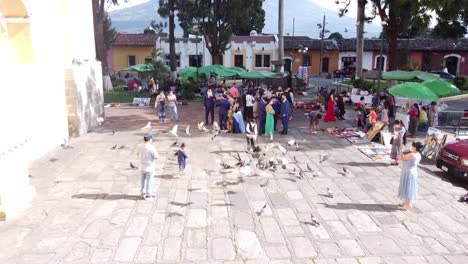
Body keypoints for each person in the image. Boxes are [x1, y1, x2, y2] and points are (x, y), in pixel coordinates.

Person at [397, 141, 423, 209]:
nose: (411, 147)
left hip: (408, 173)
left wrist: (401, 150)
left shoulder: (412, 155)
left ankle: (408, 203)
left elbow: (401, 158)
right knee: (410, 187)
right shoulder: (418, 155)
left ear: (414, 147)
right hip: (413, 172)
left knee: (407, 187)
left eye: (412, 146)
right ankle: (406, 201)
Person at [138, 133, 159, 200]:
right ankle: (148, 194)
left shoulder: (140, 146)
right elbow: (156, 157)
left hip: (141, 166)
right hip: (149, 167)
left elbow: (137, 153)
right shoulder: (151, 148)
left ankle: (142, 193)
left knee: (142, 180)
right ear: (150, 139)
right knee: (149, 181)